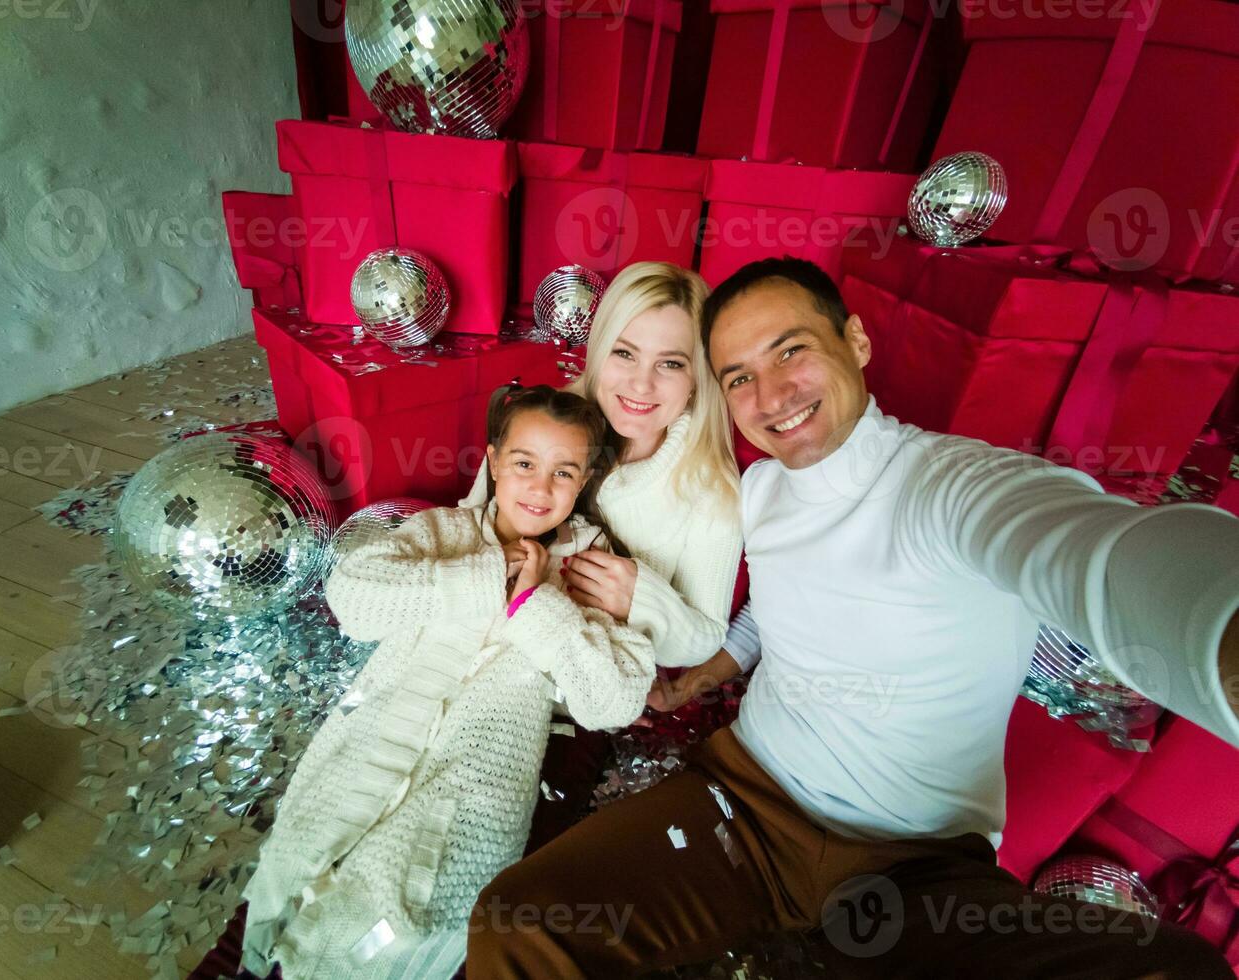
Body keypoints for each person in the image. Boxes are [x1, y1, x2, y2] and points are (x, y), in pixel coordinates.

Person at [465, 257, 1239, 978]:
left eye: (790, 351)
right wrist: (711, 669)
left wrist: (1218, 630)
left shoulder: (951, 485)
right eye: (740, 377)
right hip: (742, 799)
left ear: (856, 340)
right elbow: (775, 603)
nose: (771, 395)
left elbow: (1097, 555)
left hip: (913, 863)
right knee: (521, 921)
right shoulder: (762, 491)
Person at [239, 385, 656, 980]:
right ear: (492, 461)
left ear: (586, 478)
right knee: (299, 853)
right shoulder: (444, 533)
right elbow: (352, 599)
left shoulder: (586, 567)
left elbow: (612, 701)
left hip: (472, 773)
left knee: (398, 908)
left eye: (563, 472)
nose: (540, 488)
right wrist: (488, 574)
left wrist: (535, 603)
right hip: (374, 735)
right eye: (524, 465)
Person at [460, 261, 744, 850]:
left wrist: (644, 596)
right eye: (625, 353)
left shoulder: (709, 488)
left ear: (698, 379)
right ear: (597, 353)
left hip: (583, 680)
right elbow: (476, 519)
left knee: (507, 824)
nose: (641, 386)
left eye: (671, 363)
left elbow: (704, 637)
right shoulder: (553, 419)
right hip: (486, 641)